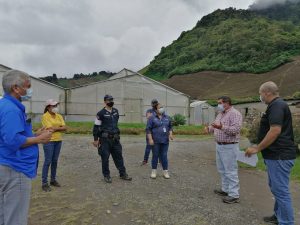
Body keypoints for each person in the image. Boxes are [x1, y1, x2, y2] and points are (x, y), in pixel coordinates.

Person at [0, 70, 52, 225]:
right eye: (28, 86)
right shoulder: (11, 109)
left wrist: (35, 134)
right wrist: (39, 139)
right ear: (16, 88)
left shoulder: (5, 105)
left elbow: (9, 134)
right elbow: (13, 140)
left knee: (5, 213)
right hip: (15, 168)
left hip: (6, 164)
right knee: (15, 217)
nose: (30, 90)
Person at [245, 81, 297, 225]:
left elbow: (275, 130)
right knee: (277, 188)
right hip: (276, 155)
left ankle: (286, 222)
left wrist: (257, 148)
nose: (260, 96)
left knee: (281, 191)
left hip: (279, 155)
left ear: (267, 92)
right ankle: (278, 215)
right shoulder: (275, 106)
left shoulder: (277, 106)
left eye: (260, 93)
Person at [205, 96, 242, 204]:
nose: (218, 105)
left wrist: (221, 127)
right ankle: (225, 189)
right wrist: (209, 128)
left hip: (229, 146)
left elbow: (235, 130)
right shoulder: (221, 113)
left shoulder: (235, 113)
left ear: (227, 103)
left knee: (230, 170)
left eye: (220, 103)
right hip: (219, 145)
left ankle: (234, 194)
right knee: (222, 169)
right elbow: (215, 125)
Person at [92, 94, 132, 183]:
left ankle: (123, 174)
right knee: (105, 158)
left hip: (115, 139)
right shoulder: (100, 113)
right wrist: (95, 139)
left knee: (119, 157)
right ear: (105, 101)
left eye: (112, 100)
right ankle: (106, 175)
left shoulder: (115, 111)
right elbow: (96, 127)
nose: (111, 102)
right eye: (109, 100)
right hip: (105, 140)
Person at [41, 99, 67, 192]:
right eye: (53, 106)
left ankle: (53, 180)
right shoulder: (45, 116)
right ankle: (44, 183)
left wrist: (56, 128)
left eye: (56, 105)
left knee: (55, 161)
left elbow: (65, 128)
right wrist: (59, 128)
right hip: (49, 141)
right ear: (48, 107)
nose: (55, 107)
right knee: (48, 161)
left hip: (58, 140)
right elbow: (49, 129)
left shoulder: (59, 116)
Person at [146, 103, 173, 179]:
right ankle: (154, 171)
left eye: (162, 107)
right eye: (159, 107)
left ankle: (165, 171)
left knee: (164, 156)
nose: (161, 108)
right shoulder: (151, 118)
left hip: (165, 141)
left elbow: (170, 127)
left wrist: (170, 134)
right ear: (155, 109)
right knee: (155, 155)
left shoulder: (167, 117)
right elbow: (148, 130)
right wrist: (150, 139)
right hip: (155, 141)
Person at [141, 99, 159, 166]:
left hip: (157, 132)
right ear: (151, 104)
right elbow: (148, 117)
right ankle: (145, 160)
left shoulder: (159, 111)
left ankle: (160, 160)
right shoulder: (149, 111)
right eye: (153, 103)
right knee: (148, 147)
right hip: (149, 132)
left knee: (158, 146)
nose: (154, 104)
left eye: (155, 103)